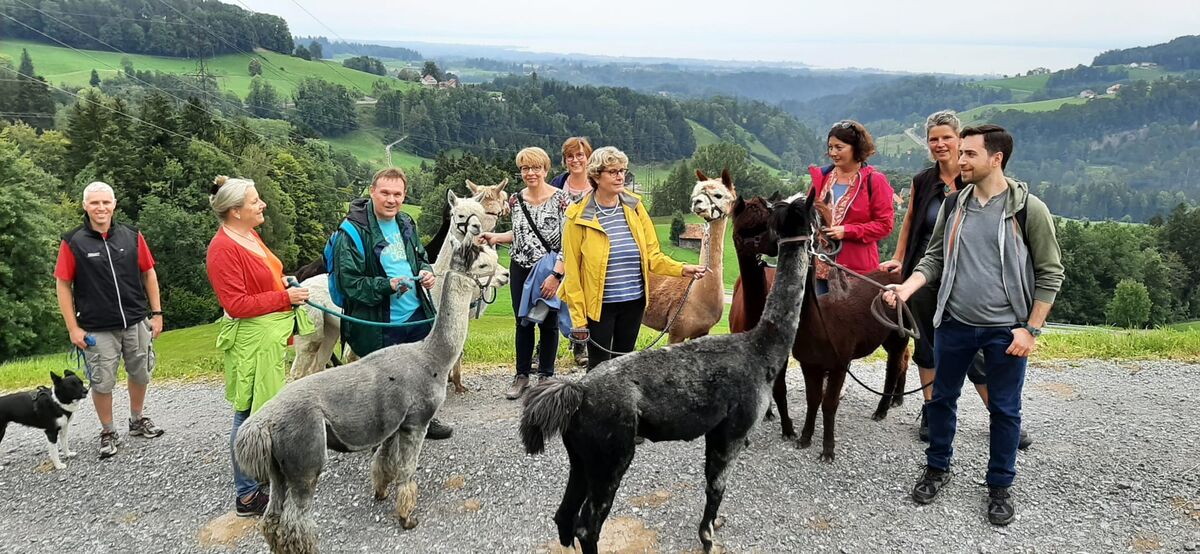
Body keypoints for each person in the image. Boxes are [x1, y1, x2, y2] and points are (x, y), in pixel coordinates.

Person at [884, 124, 1064, 526]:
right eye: (960, 152)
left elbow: (1051, 274)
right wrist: (907, 288)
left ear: (996, 159)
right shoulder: (954, 205)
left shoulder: (1029, 210)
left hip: (1007, 330)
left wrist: (1030, 329)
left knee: (1004, 411)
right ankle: (937, 468)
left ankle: (1000, 486)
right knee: (941, 400)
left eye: (969, 154)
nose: (959, 160)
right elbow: (934, 258)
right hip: (954, 322)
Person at [880, 111, 1033, 448]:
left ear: (960, 139)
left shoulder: (977, 177)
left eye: (947, 138)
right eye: (933, 139)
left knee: (974, 351)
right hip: (925, 274)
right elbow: (911, 221)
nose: (940, 144)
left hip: (965, 277)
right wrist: (900, 259)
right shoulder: (923, 180)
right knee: (926, 345)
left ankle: (999, 413)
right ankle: (932, 410)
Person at [205, 175, 313, 517]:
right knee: (249, 413)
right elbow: (236, 304)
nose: (262, 204)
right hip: (250, 342)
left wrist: (282, 282)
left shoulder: (248, 234)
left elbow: (262, 277)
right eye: (255, 201)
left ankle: (261, 474)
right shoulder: (222, 249)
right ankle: (247, 494)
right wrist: (285, 298)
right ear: (235, 211)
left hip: (266, 338)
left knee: (264, 409)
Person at [330, 167, 452, 439]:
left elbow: (419, 257)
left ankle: (423, 420)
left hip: (416, 314)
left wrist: (426, 272)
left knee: (422, 372)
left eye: (397, 194)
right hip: (380, 323)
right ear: (372, 192)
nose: (391, 200)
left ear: (404, 195)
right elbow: (349, 283)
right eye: (384, 193)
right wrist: (388, 286)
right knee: (383, 383)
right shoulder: (352, 231)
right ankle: (382, 433)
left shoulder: (406, 222)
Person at [560, 146, 707, 371]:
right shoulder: (578, 217)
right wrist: (579, 320)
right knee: (599, 368)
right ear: (596, 176)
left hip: (633, 303)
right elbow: (572, 274)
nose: (620, 176)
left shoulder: (635, 207)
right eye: (613, 171)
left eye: (623, 171)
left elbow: (652, 256)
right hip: (599, 307)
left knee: (625, 365)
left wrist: (681, 268)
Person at [55, 181, 166, 460]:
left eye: (106, 202)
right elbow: (63, 284)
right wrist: (73, 328)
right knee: (102, 381)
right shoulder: (73, 242)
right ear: (85, 206)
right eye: (95, 203)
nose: (101, 208)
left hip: (136, 320)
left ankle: (137, 420)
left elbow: (149, 273)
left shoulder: (132, 236)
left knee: (140, 372)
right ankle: (108, 430)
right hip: (97, 327)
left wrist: (157, 314)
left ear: (114, 204)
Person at [480, 147, 570, 400]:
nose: (530, 173)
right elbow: (520, 234)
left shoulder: (562, 200)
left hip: (549, 270)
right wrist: (495, 237)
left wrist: (556, 276)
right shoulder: (515, 200)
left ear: (545, 169)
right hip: (520, 267)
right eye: (525, 168)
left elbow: (569, 242)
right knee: (523, 322)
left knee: (549, 322)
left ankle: (546, 376)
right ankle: (521, 375)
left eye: (535, 168)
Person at [808, 120, 895, 295]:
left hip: (856, 272)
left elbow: (885, 225)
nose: (833, 153)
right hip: (819, 269)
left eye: (839, 148)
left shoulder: (874, 180)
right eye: (830, 147)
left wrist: (847, 231)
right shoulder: (822, 178)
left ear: (856, 148)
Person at [549, 136, 595, 367]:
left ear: (589, 158)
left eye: (580, 155)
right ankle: (547, 346)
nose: (575, 160)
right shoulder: (558, 184)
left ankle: (581, 344)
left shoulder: (597, 185)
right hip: (559, 249)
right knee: (556, 299)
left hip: (589, 251)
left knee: (584, 300)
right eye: (570, 156)